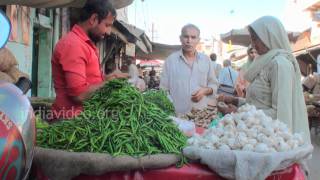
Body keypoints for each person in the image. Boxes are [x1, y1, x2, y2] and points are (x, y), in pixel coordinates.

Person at [218, 16, 311, 142]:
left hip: (272, 140)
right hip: (257, 134)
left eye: (255, 38)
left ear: (269, 37)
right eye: (251, 38)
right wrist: (236, 101)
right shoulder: (265, 62)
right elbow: (258, 104)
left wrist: (239, 113)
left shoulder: (279, 65)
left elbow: (280, 114)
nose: (252, 44)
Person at [51, 0, 126, 120]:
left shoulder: (85, 44)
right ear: (94, 19)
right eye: (107, 25)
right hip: (70, 124)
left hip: (85, 119)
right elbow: (79, 94)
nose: (108, 32)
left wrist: (110, 77)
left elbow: (90, 83)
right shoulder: (73, 45)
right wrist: (110, 83)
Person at [160, 24, 218, 115]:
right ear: (180, 38)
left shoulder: (206, 60)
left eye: (193, 37)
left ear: (198, 40)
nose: (189, 41)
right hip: (177, 117)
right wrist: (170, 108)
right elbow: (163, 90)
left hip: (201, 116)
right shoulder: (170, 61)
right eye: (186, 36)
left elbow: (214, 84)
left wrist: (204, 91)